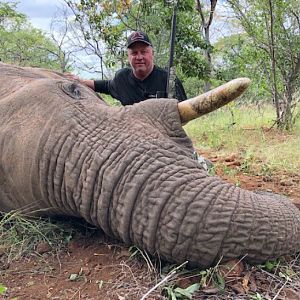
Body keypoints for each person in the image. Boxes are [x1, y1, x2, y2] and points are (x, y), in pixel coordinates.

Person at [68, 31, 187, 105]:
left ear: (152, 53)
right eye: (134, 53)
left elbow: (184, 113)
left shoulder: (169, 80)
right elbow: (104, 85)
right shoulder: (122, 79)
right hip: (130, 139)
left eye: (144, 52)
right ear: (128, 57)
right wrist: (79, 81)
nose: (139, 57)